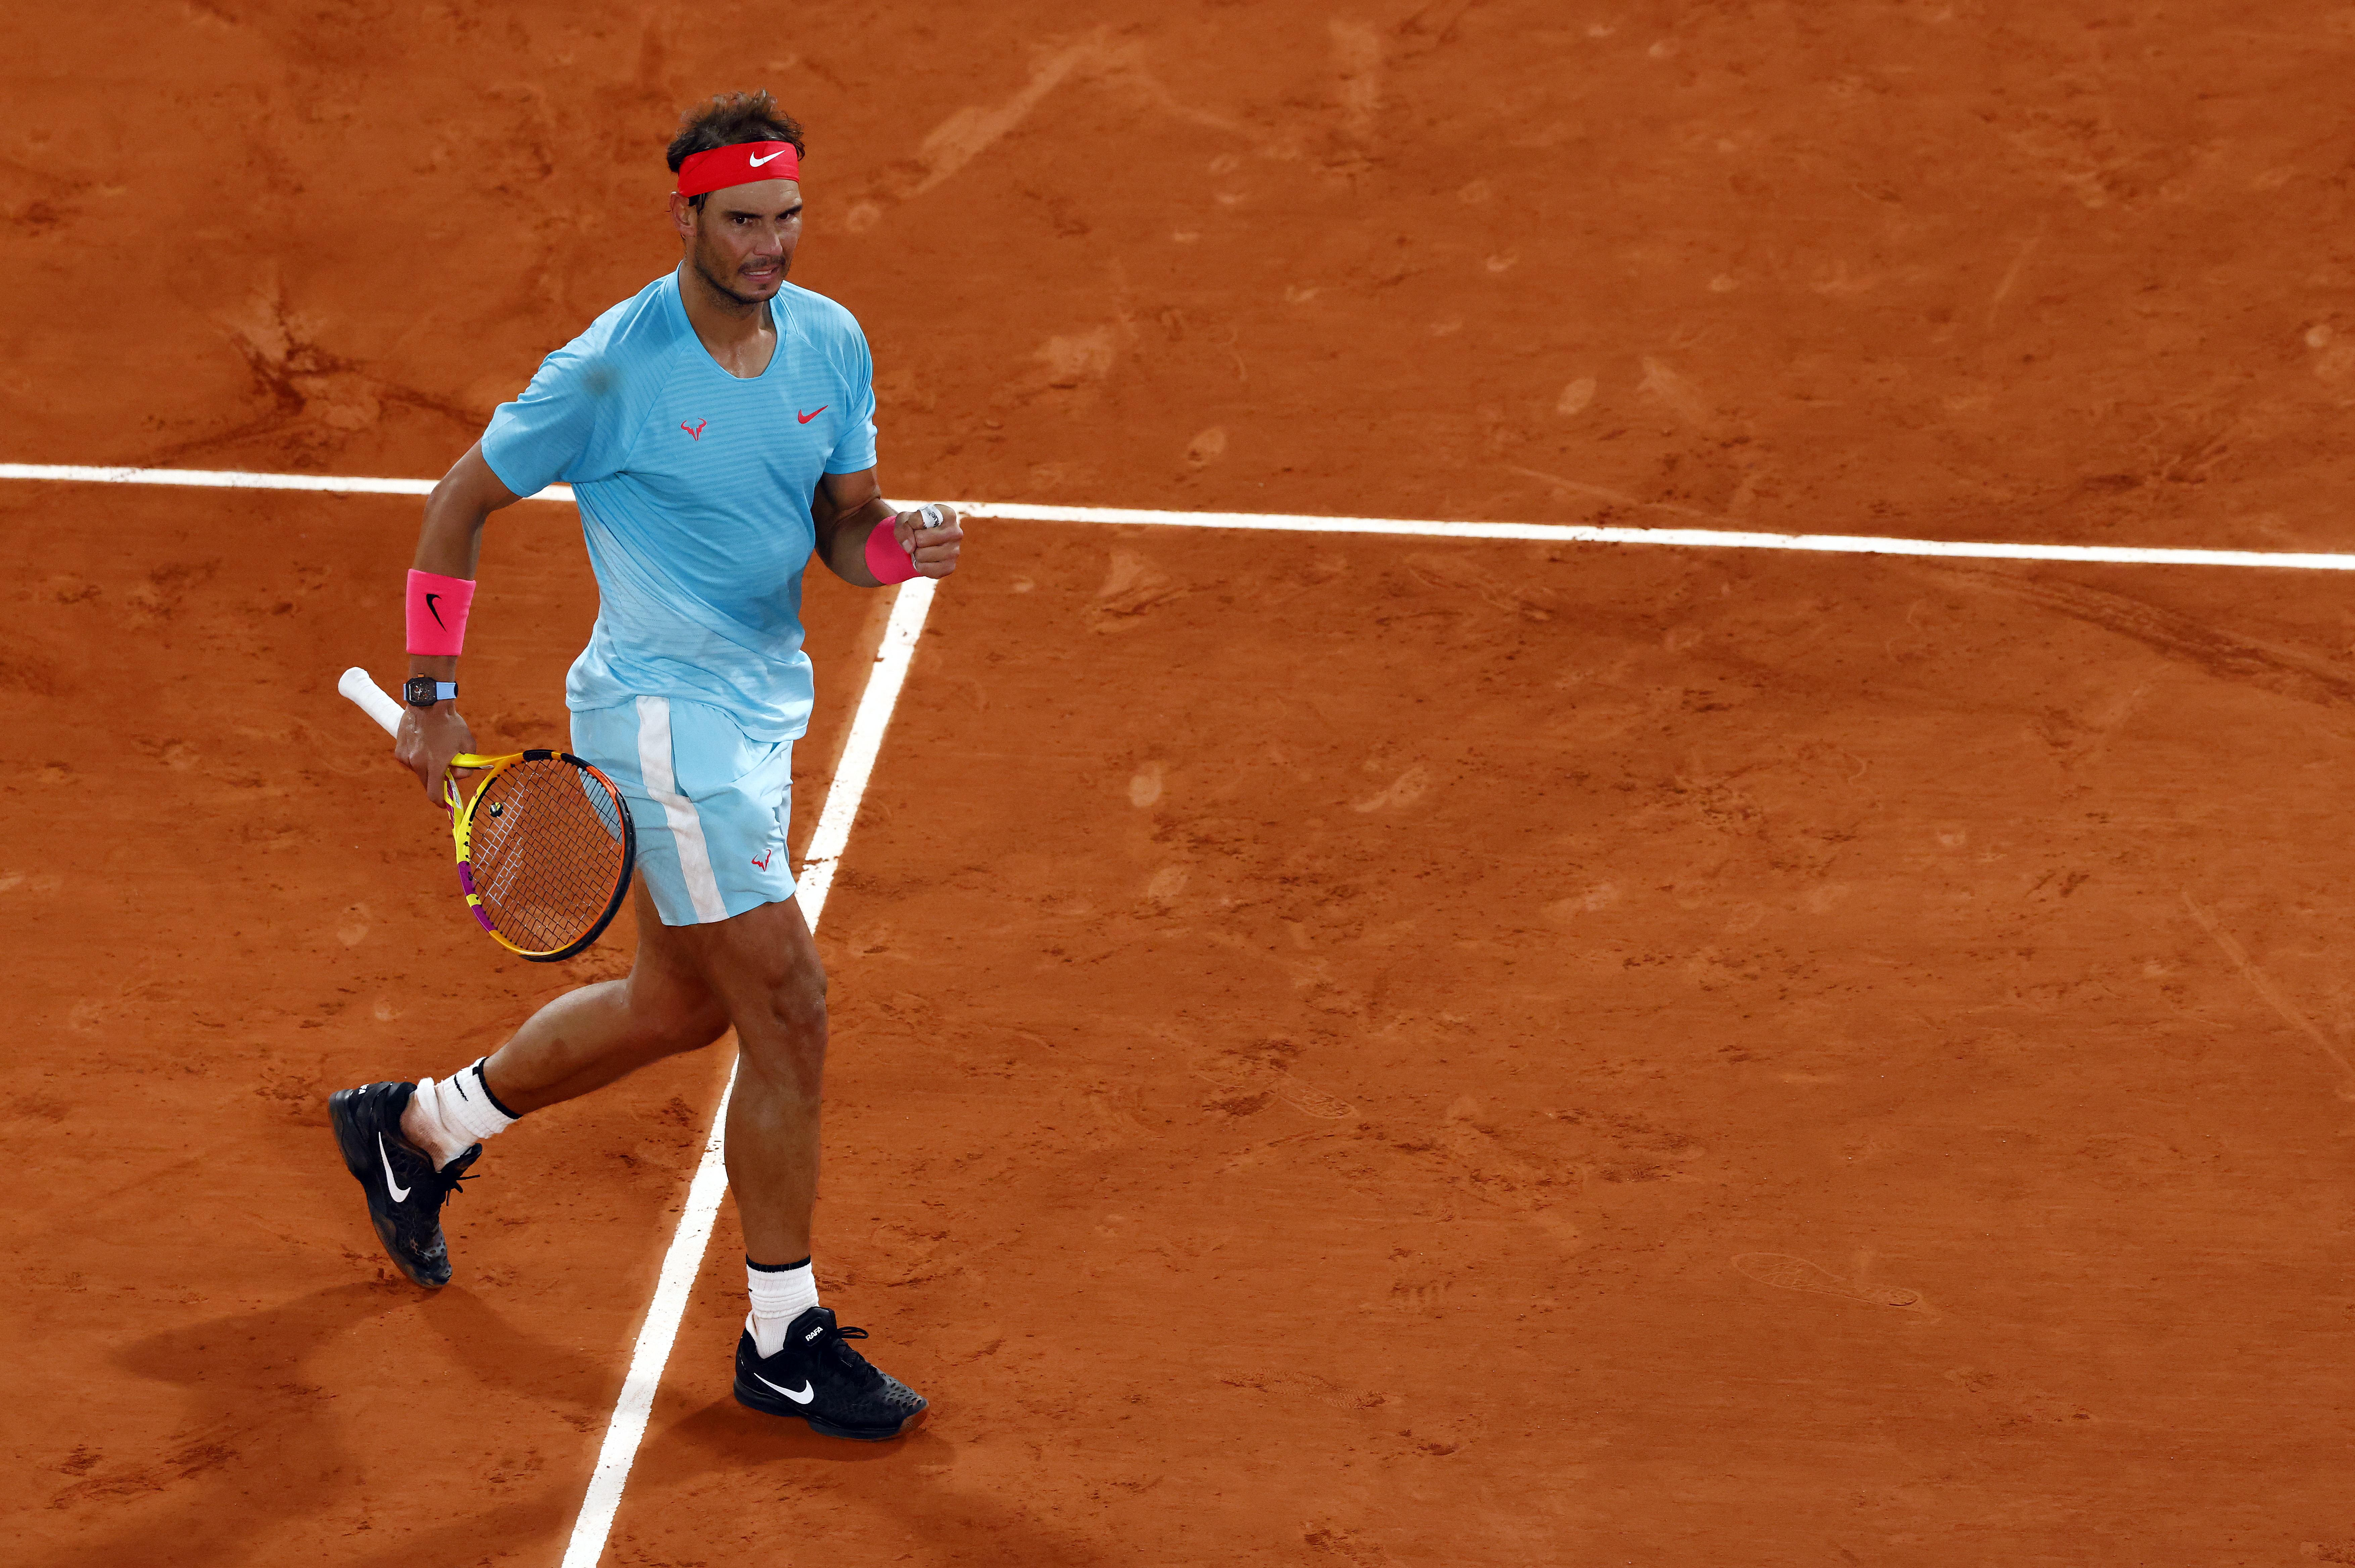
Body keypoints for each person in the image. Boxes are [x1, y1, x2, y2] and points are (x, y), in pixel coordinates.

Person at [327, 89, 957, 1442]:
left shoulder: (829, 342)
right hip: (664, 725)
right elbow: (459, 503)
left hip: (757, 709)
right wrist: (432, 695)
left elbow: (842, 533)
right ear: (685, 214)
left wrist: (899, 550)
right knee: (788, 1004)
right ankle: (782, 1338)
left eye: (785, 217)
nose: (768, 246)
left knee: (679, 1006)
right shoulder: (610, 370)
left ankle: (415, 1131)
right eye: (741, 221)